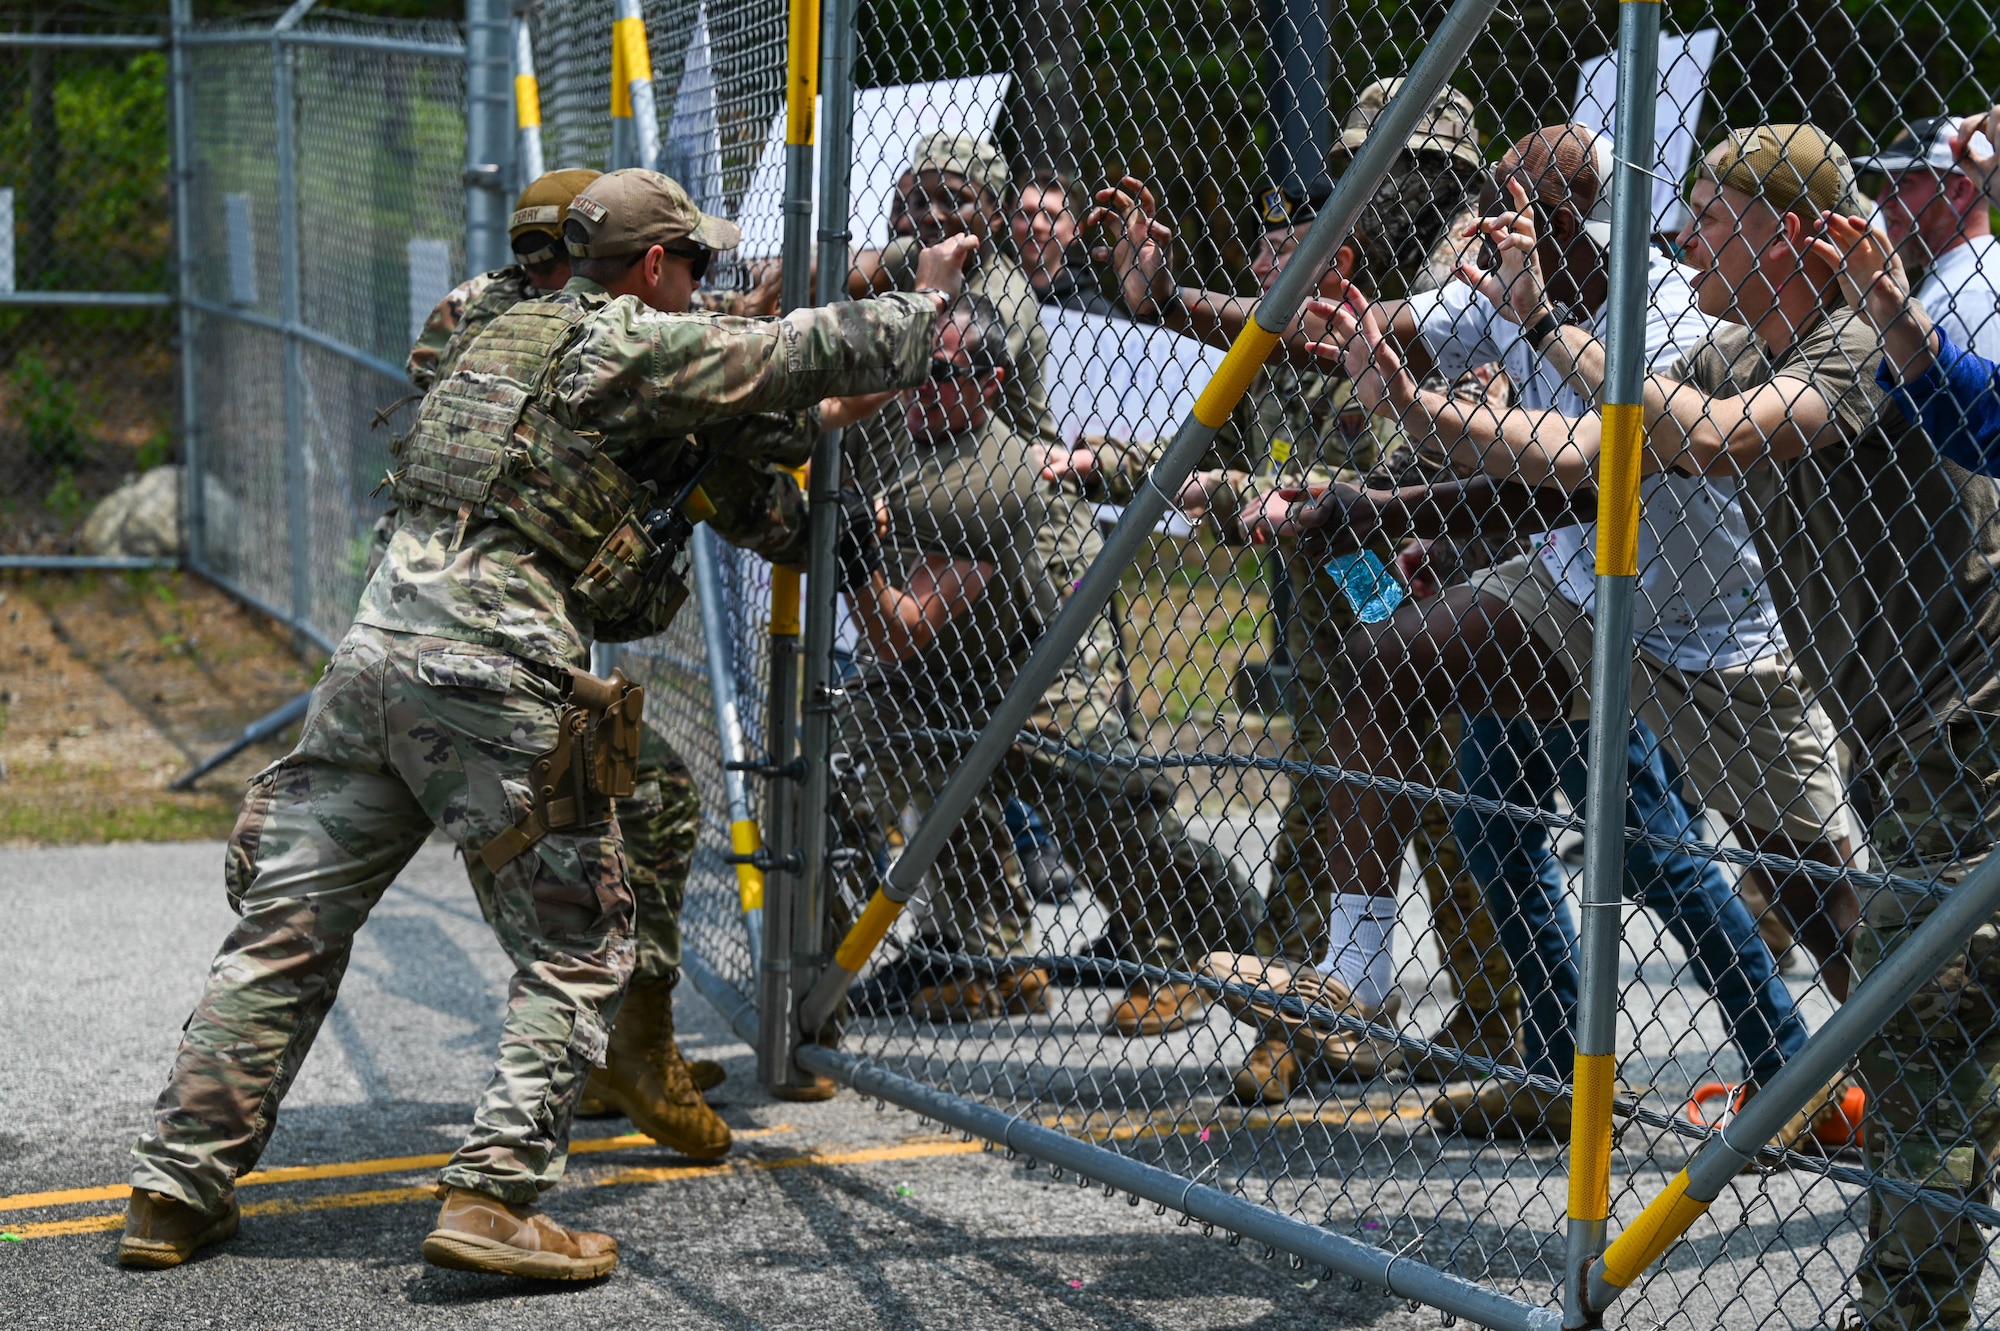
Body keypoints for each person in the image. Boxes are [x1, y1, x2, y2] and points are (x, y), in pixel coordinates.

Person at [116, 167, 976, 1280]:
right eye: (694, 266)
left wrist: (775, 408)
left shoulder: (495, 327)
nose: (704, 285)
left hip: (374, 657)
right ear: (656, 265)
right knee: (577, 940)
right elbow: (791, 354)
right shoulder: (630, 340)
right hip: (494, 679)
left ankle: (174, 1189)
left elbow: (722, 415)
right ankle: (491, 1196)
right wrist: (926, 293)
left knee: (286, 933)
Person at [1347, 119, 2000, 1329]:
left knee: (1911, 1028)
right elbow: (1589, 445)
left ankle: (1908, 1309)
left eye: (1710, 210)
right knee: (1912, 1001)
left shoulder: (1849, 342)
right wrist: (1419, 408)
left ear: (1788, 235)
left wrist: (1545, 322)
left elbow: (1695, 442)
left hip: (1972, 733)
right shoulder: (1733, 345)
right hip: (1896, 735)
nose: (1683, 230)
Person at [1297, 123, 1856, 1137]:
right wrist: (1344, 340)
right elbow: (1375, 330)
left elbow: (1585, 473)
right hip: (1569, 596)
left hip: (1703, 633)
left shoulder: (1681, 311)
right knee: (1402, 682)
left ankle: (1859, 1071)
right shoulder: (1506, 278)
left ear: (1555, 223)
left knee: (1807, 897)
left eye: (1505, 207)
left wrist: (1404, 487)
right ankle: (1364, 974)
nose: (1478, 229)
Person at [1081, 81, 1540, 1092]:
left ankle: (1324, 1022)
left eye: (1379, 168)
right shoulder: (1366, 288)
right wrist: (1114, 451)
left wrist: (1271, 481)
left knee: (1409, 812)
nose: (1359, 188)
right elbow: (1277, 363)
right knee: (1410, 812)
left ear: (1436, 175)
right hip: (1358, 612)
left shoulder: (1464, 270)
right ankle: (1459, 1018)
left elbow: (1430, 474)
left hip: (1450, 599)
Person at [387, 167, 743, 1145]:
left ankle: (622, 1043)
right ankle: (574, 1095)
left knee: (617, 811)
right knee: (576, 834)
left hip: (439, 633)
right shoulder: (573, 336)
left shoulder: (476, 314)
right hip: (488, 652)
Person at [834, 296, 1252, 1025]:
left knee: (1097, 805)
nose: (918, 387)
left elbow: (899, 628)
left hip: (1031, 656)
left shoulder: (992, 477)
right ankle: (988, 956)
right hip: (941, 657)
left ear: (990, 383)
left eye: (938, 372)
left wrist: (854, 553)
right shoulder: (889, 426)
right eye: (910, 370)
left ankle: (1195, 943)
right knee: (858, 757)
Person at [1855, 113, 2000, 359]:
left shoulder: (1970, 294)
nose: (1883, 200)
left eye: (1904, 183)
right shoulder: (1956, 279)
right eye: (1886, 184)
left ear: (1958, 192)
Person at [1012, 169, 1118, 315]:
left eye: (1052, 216)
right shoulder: (983, 290)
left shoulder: (1098, 315)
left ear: (1075, 231)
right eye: (1026, 214)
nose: (1036, 225)